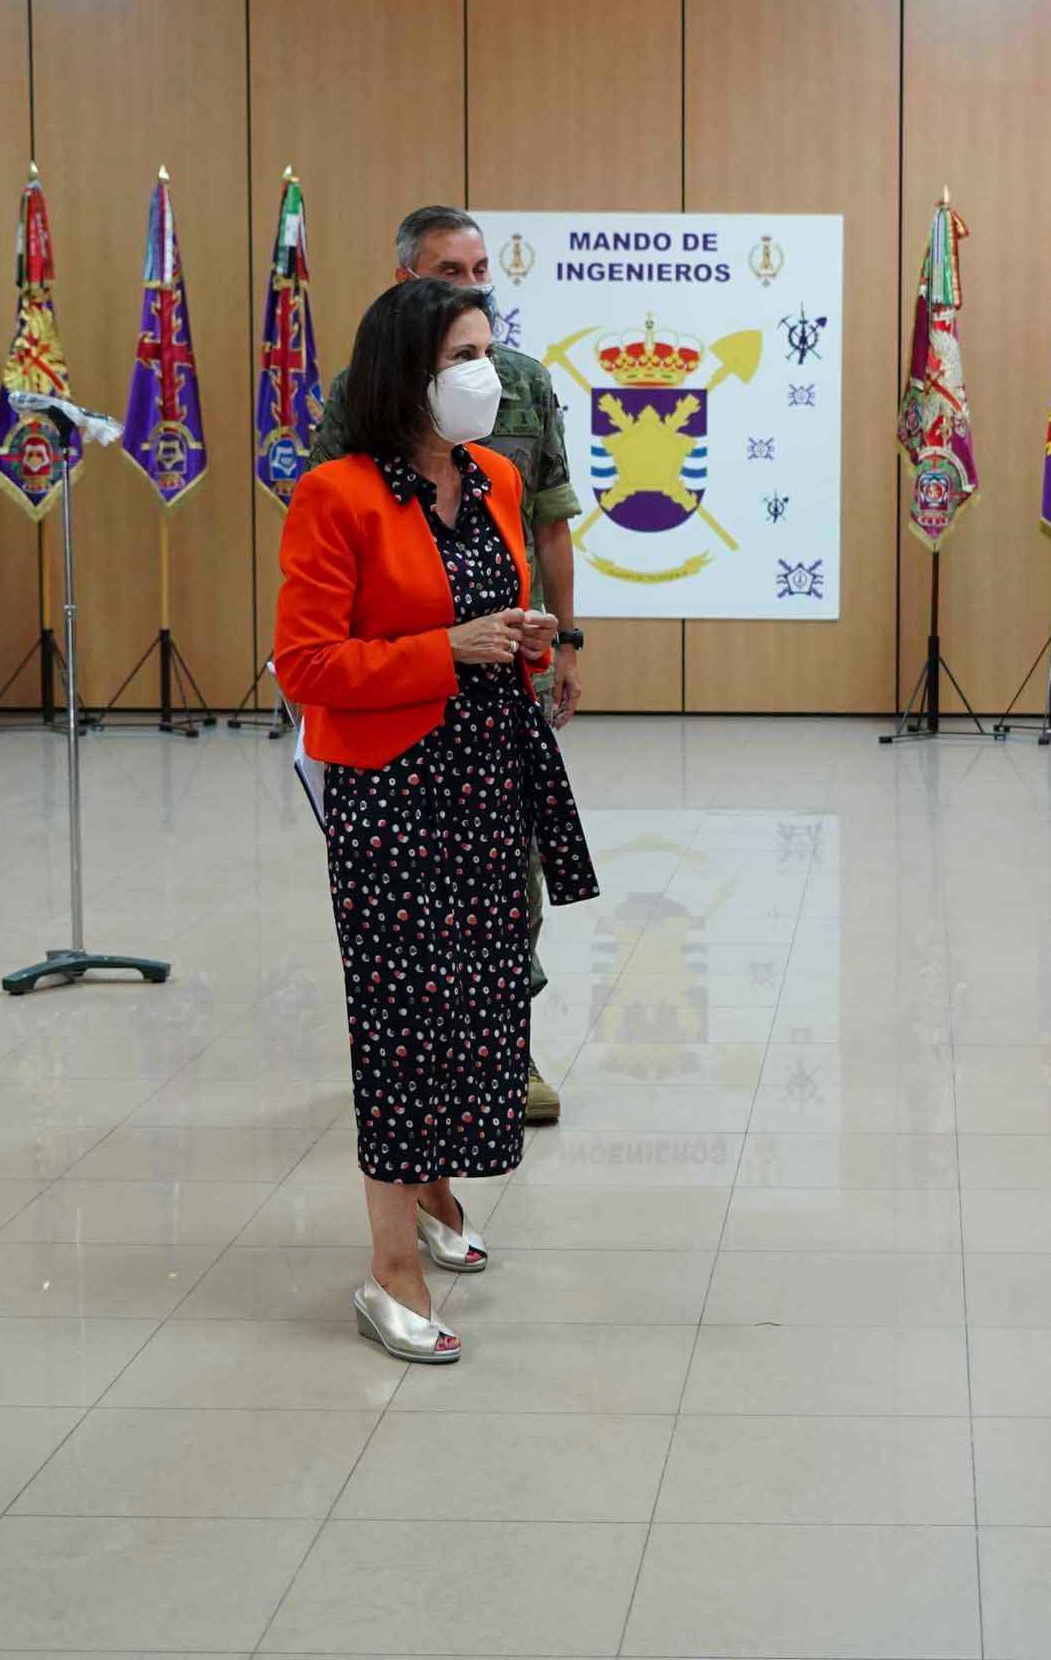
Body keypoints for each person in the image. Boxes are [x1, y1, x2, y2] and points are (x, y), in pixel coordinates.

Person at [276, 278, 599, 1364]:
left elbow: (485, 603)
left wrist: (522, 636)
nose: (484, 374)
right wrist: (445, 649)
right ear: (407, 371)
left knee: (477, 996)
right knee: (401, 1017)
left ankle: (434, 1191)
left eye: (486, 351)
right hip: (390, 789)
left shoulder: (495, 476)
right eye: (463, 354)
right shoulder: (336, 494)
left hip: (485, 776)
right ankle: (389, 1269)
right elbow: (306, 662)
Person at [312, 206, 580, 1128]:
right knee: (412, 919)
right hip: (396, 699)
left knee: (507, 885)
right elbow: (333, 558)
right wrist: (433, 644)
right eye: (449, 272)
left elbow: (549, 520)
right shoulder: (363, 397)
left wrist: (560, 638)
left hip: (499, 690)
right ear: (407, 282)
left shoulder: (521, 389)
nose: (472, 286)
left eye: (479, 271)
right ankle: (414, 1084)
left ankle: (506, 1047)